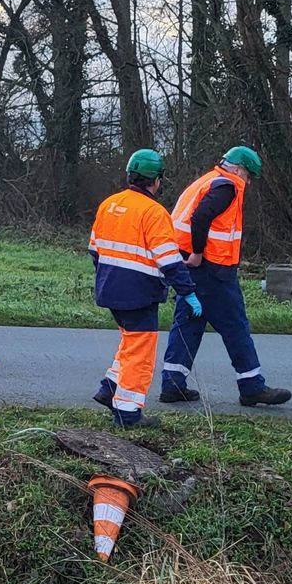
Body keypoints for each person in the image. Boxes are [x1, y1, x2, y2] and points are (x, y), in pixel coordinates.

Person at [158, 146, 292, 407]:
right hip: (213, 269)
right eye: (249, 175)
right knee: (235, 326)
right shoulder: (227, 186)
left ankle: (172, 384)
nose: (248, 182)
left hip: (191, 265)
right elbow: (201, 218)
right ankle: (252, 386)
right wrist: (197, 253)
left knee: (189, 323)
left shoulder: (207, 181)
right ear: (239, 169)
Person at [88, 149, 200, 427]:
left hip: (110, 289)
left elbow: (94, 250)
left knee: (130, 341)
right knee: (141, 354)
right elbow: (170, 261)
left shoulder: (109, 204)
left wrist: (109, 277)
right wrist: (188, 292)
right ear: (156, 180)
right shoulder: (154, 212)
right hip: (140, 293)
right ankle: (127, 413)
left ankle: (110, 389)